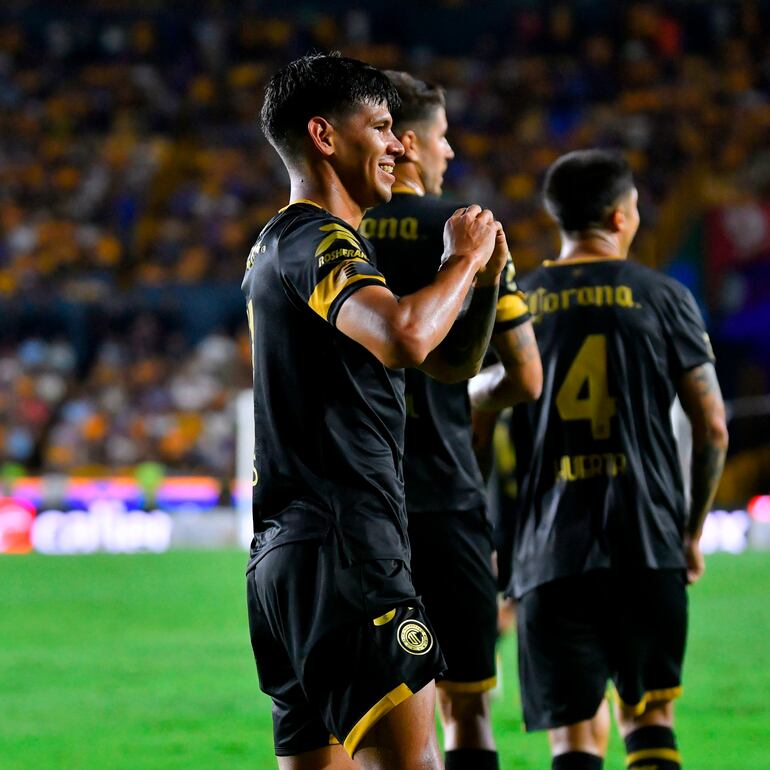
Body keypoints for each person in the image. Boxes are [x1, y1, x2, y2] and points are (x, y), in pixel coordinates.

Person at [242, 53, 508, 770]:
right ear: (326, 136)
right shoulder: (317, 236)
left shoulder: (276, 245)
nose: (399, 145)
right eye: (383, 127)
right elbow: (406, 338)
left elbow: (450, 364)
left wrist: (477, 286)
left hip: (285, 563)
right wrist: (461, 260)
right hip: (350, 552)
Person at [504, 149, 728, 770]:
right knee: (650, 716)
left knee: (574, 736)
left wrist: (501, 539)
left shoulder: (521, 300)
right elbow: (712, 427)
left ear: (558, 219)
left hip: (548, 548)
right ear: (620, 216)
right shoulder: (664, 296)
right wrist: (690, 531)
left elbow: (490, 430)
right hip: (648, 538)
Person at [361, 71, 542, 770]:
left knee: (387, 712)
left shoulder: (335, 234)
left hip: (365, 505)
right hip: (448, 499)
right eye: (442, 137)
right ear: (409, 144)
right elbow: (526, 378)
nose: (452, 152)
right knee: (468, 704)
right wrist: (472, 396)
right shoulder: (471, 232)